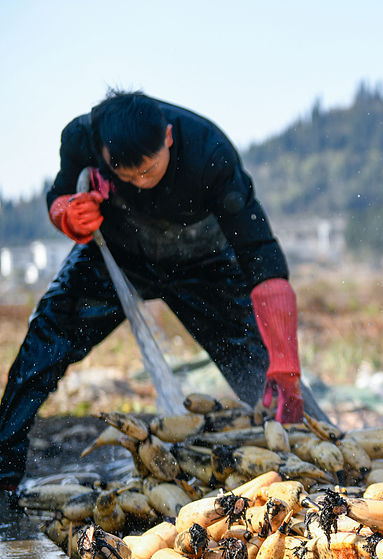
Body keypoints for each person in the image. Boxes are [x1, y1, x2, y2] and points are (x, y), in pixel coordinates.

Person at [0, 89, 327, 491]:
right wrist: (65, 213)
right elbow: (61, 192)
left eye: (149, 170)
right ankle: (3, 472)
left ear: (169, 138)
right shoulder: (82, 137)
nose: (140, 181)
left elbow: (258, 251)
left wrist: (284, 355)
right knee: (45, 340)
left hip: (202, 260)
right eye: (127, 173)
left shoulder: (210, 151)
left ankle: (326, 454)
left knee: (263, 369)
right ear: (102, 151)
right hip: (119, 252)